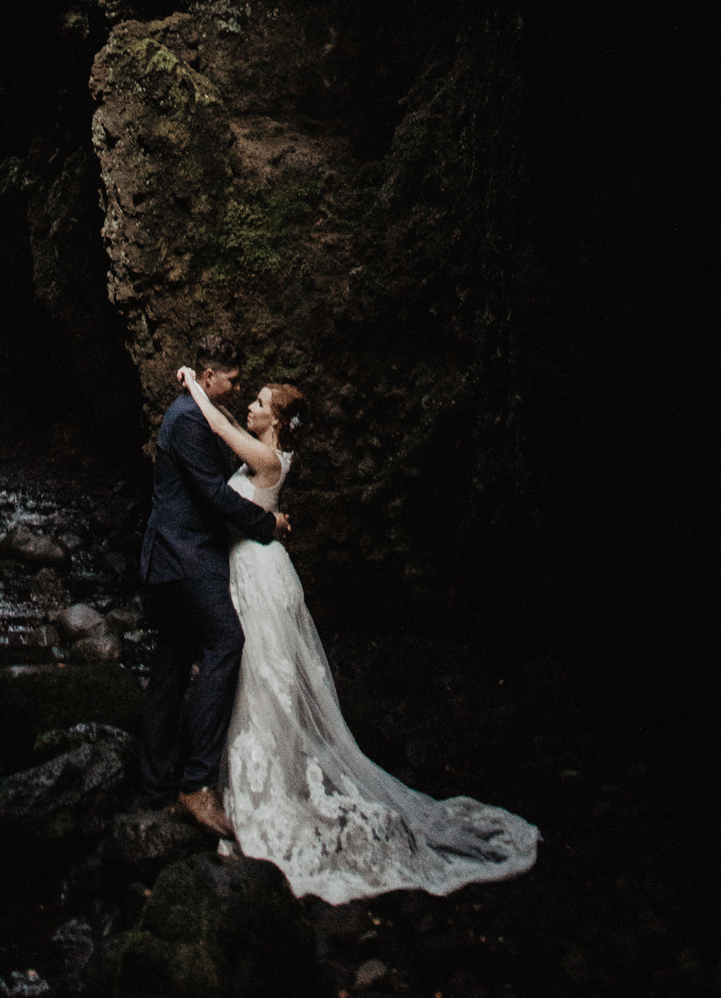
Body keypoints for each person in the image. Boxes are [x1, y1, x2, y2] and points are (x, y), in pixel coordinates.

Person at [176, 362, 540, 903]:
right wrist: (212, 398)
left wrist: (190, 385)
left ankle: (268, 791)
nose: (248, 408)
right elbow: (228, 422)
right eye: (249, 401)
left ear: (274, 423)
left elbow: (223, 428)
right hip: (250, 569)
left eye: (259, 404)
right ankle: (238, 779)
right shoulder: (270, 451)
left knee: (265, 679)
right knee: (253, 678)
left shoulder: (267, 458)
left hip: (261, 577)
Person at [135, 333, 290, 838]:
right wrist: (268, 526)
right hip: (184, 557)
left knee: (172, 663)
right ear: (209, 377)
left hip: (175, 556)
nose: (238, 385)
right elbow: (213, 495)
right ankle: (196, 784)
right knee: (227, 639)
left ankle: (156, 788)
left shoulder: (196, 413)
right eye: (234, 379)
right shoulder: (187, 423)